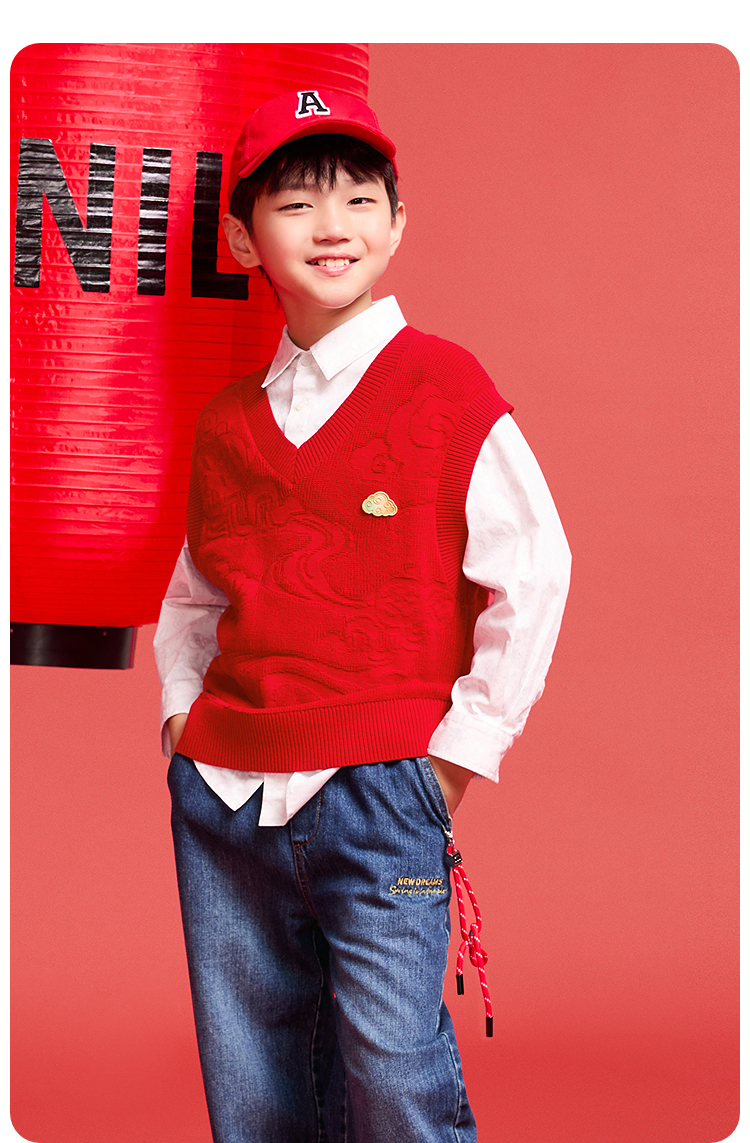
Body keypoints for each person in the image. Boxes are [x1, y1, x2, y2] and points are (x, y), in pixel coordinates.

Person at [154, 87, 571, 1143]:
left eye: (357, 199)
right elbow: (196, 592)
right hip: (226, 793)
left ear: (396, 223)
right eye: (295, 204)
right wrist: (181, 718)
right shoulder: (229, 420)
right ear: (243, 239)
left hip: (382, 786)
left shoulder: (443, 385)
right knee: (254, 1090)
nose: (330, 225)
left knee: (395, 1078)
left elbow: (536, 566)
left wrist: (456, 758)